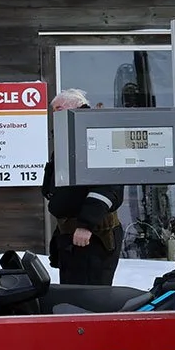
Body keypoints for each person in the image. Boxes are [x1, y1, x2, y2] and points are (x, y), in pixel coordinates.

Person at [42, 89, 125, 287]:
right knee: (73, 292)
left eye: (59, 108)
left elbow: (107, 186)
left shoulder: (95, 135)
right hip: (72, 236)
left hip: (93, 237)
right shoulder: (70, 137)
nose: (55, 114)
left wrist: (86, 225)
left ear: (77, 107)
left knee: (89, 296)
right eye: (54, 110)